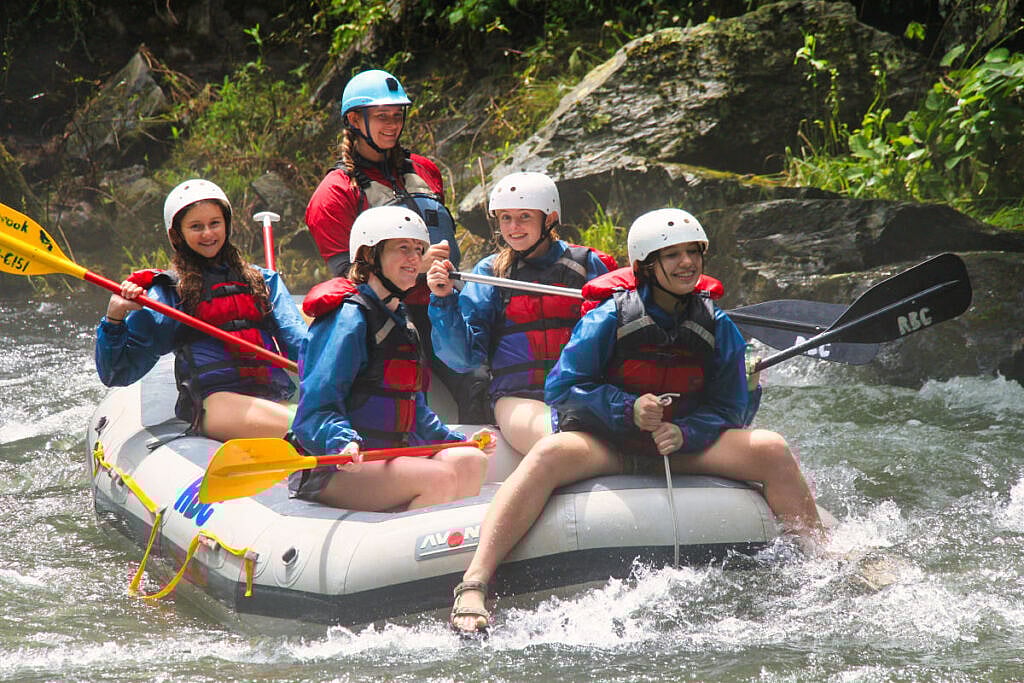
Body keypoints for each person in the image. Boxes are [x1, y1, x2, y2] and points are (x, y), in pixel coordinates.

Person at [447, 208, 825, 634]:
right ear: (646, 265)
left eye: (692, 252)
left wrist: (686, 431)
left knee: (771, 448)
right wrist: (626, 409)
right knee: (550, 452)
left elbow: (730, 408)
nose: (687, 263)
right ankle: (474, 582)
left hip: (680, 447)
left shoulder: (715, 325)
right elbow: (563, 388)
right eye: (672, 255)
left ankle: (820, 559)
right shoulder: (608, 318)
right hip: (612, 445)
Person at [305, 67, 486, 421]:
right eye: (381, 116)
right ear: (355, 120)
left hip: (441, 307)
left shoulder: (424, 170)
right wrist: (416, 269)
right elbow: (348, 278)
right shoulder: (334, 194)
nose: (392, 124)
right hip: (381, 317)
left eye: (397, 115)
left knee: (478, 381)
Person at [288, 206, 494, 511]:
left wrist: (454, 439)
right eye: (403, 249)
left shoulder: (399, 316)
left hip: (389, 457)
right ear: (370, 256)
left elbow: (413, 409)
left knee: (470, 460)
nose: (415, 259)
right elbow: (316, 410)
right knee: (438, 478)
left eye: (418, 249)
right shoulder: (348, 318)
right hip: (337, 465)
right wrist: (341, 441)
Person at [95, 179, 307, 441]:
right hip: (215, 405)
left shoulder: (263, 281)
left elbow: (300, 343)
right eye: (196, 226)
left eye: (214, 223)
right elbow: (118, 372)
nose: (208, 233)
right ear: (177, 235)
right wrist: (114, 319)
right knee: (311, 427)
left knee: (328, 421)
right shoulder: (169, 292)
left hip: (272, 397)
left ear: (226, 225)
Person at [426, 171, 614, 456]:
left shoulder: (589, 266)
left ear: (549, 219)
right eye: (505, 217)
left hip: (582, 393)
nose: (513, 227)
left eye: (525, 216)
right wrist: (444, 300)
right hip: (516, 398)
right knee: (558, 441)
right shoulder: (490, 273)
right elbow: (463, 359)